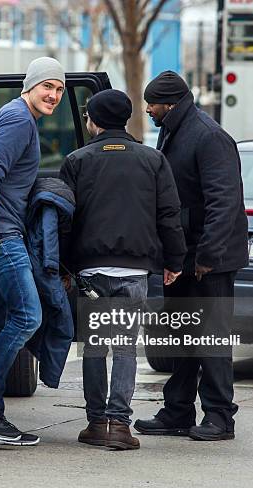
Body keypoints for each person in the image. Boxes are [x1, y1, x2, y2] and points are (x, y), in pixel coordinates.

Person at [59, 89, 186, 450]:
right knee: (126, 348)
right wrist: (174, 262)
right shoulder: (153, 160)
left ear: (94, 121)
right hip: (135, 270)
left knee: (96, 348)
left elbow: (65, 221)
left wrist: (63, 266)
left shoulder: (77, 160)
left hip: (90, 272)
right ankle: (119, 426)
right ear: (126, 119)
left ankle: (96, 424)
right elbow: (168, 216)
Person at [134, 70, 248, 441]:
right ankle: (177, 411)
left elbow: (223, 202)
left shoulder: (209, 136)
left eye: (152, 104)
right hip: (183, 256)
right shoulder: (175, 129)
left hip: (208, 261)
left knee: (211, 339)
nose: (148, 110)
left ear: (170, 104)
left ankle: (219, 416)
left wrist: (207, 255)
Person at [0, 57, 66, 446]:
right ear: (30, 86)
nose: (54, 95)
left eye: (59, 89)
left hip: (6, 233)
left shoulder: (17, 116)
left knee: (2, 321)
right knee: (27, 316)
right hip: (2, 237)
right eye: (47, 87)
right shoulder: (19, 119)